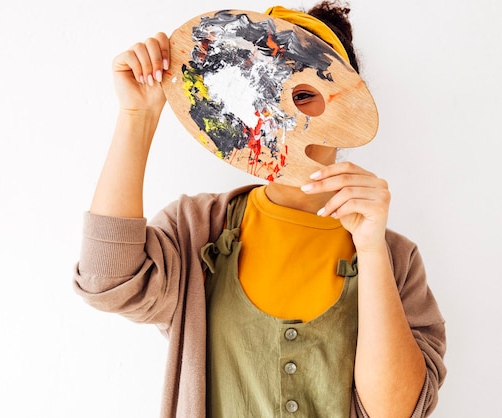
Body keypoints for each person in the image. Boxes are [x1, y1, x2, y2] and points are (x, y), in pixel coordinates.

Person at [74, 2, 446, 417]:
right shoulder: (197, 229)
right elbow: (105, 280)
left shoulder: (396, 259)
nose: (285, 116)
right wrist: (136, 116)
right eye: (266, 94)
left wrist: (372, 251)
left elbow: (397, 411)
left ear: (348, 103)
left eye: (304, 95)